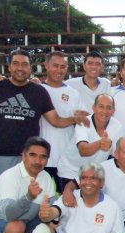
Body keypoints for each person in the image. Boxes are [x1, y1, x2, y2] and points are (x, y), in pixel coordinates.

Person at [0, 49, 88, 199]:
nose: (20, 68)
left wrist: (75, 119)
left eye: (25, 64)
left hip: (30, 157)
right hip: (2, 154)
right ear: (9, 67)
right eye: (16, 64)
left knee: (28, 199)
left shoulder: (38, 91)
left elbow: (55, 120)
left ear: (30, 68)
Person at [57, 94, 122, 192]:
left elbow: (117, 155)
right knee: (70, 204)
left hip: (92, 174)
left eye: (109, 107)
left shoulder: (116, 125)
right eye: (101, 106)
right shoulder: (84, 121)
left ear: (113, 111)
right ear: (94, 108)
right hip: (70, 170)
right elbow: (83, 150)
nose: (104, 111)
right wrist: (100, 143)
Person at [39, 51, 83, 188]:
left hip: (65, 158)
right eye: (55, 65)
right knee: (39, 201)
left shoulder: (73, 93)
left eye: (63, 66)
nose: (59, 70)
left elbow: (82, 120)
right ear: (46, 65)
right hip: (42, 157)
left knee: (66, 200)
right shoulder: (36, 90)